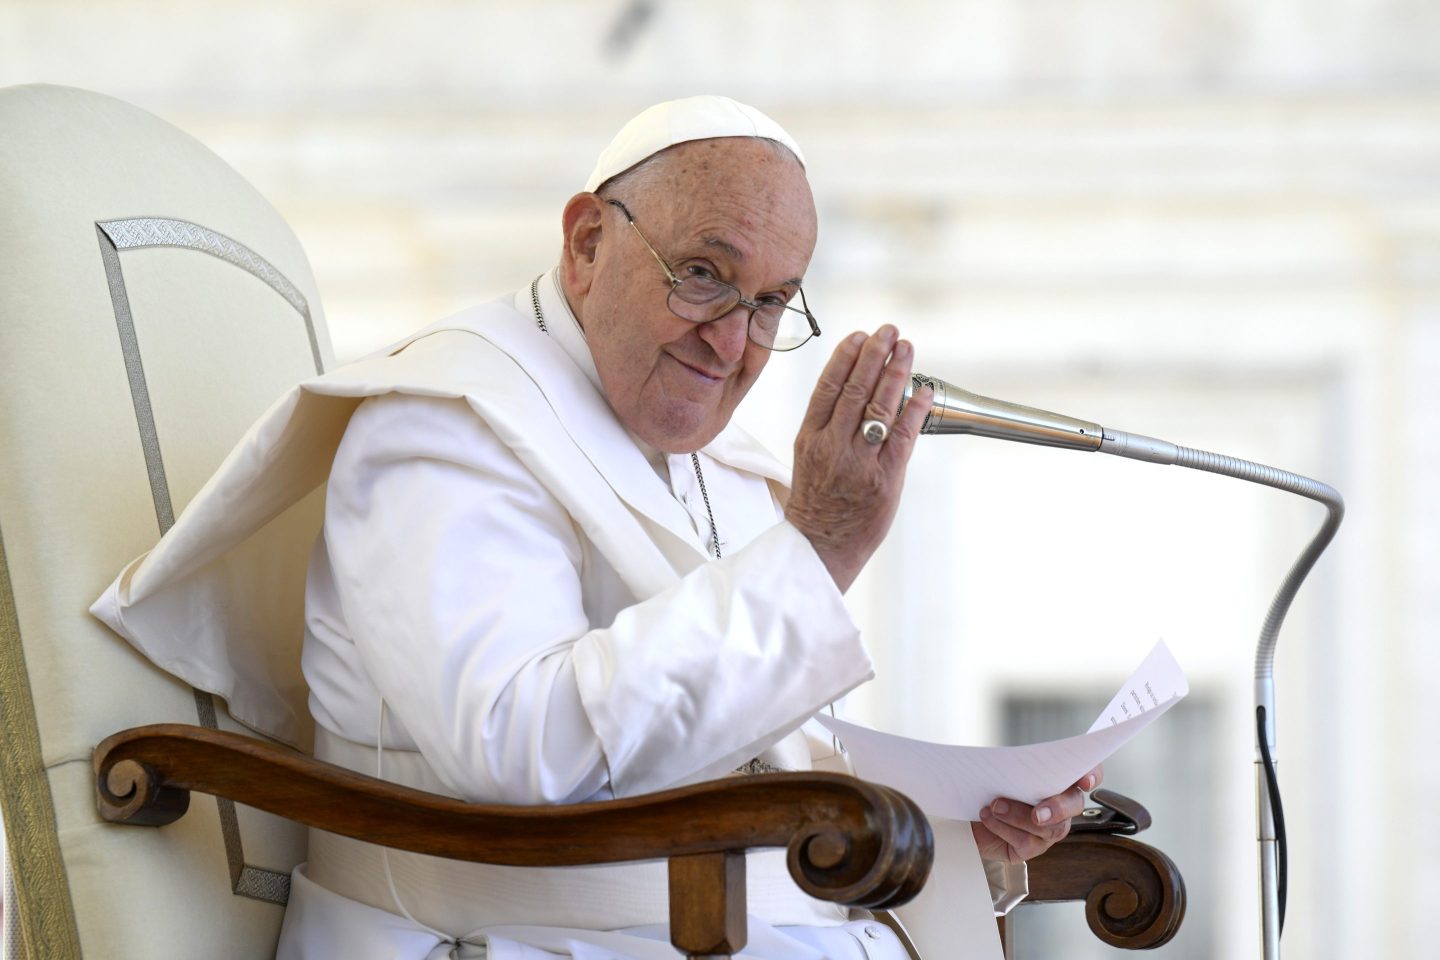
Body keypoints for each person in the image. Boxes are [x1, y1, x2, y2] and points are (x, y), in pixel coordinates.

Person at [95, 96, 1097, 960]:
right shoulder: (443, 424)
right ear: (586, 242)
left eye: (770, 303)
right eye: (704, 272)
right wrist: (818, 549)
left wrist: (963, 831)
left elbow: (751, 765)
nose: (734, 341)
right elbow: (517, 748)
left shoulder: (725, 465)